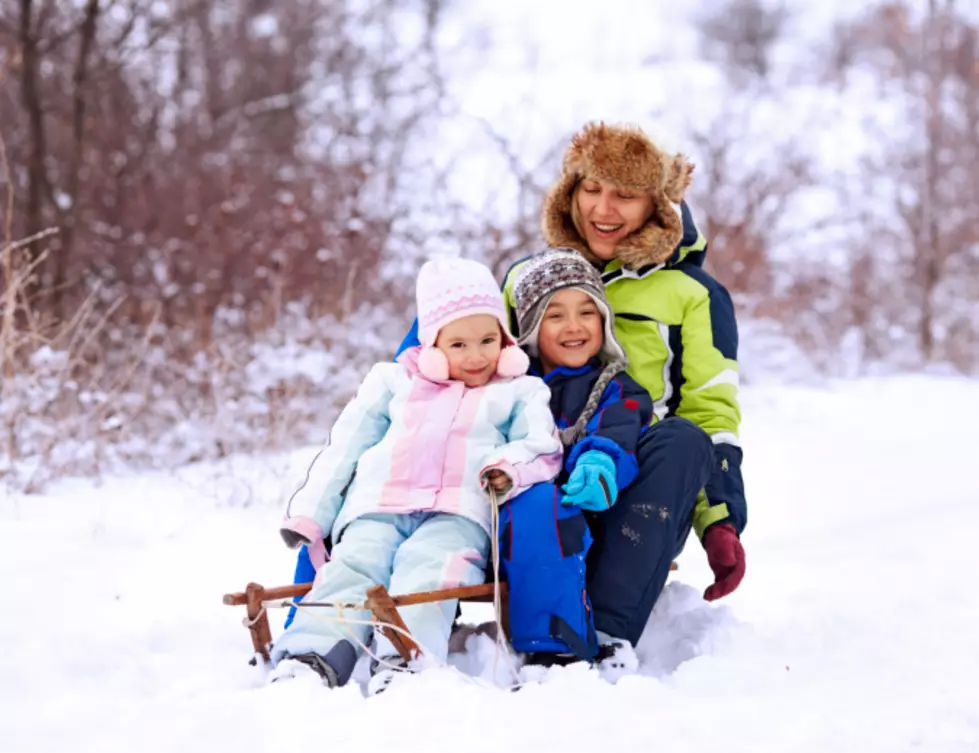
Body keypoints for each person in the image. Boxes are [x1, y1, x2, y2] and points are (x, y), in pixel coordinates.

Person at [500, 122, 748, 668]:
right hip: (533, 470)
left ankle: (605, 635)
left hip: (636, 491)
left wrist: (720, 520)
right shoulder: (527, 277)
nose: (603, 209)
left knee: (682, 438)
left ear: (657, 205)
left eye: (625, 195)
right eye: (591, 189)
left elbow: (710, 412)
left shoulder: (693, 295)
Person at [269, 257, 564, 694]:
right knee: (351, 568)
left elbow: (542, 447)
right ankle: (311, 658)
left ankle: (405, 660)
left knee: (430, 570)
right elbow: (344, 448)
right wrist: (312, 515)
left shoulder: (519, 391)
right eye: (458, 344)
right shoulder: (391, 383)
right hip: (377, 505)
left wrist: (507, 468)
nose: (477, 356)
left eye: (488, 340)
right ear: (432, 343)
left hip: (458, 513)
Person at [500, 248, 654, 671]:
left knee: (545, 507)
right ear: (531, 326)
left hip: (575, 514)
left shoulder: (615, 387)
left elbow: (618, 428)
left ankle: (555, 644)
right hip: (493, 505)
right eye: (555, 315)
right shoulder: (506, 384)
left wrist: (599, 462)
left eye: (587, 312)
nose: (574, 327)